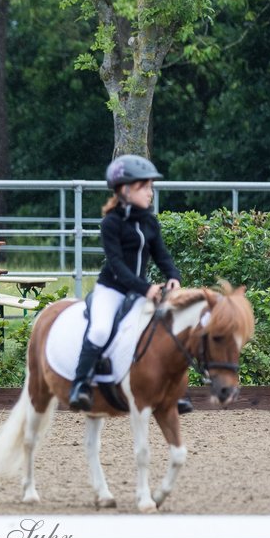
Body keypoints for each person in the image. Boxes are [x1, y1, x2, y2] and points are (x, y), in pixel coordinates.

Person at [70, 154, 184, 413]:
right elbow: (118, 266)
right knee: (99, 330)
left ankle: (172, 391)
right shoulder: (111, 223)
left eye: (151, 187)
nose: (150, 193)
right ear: (125, 190)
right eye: (144, 187)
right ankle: (80, 384)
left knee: (165, 331)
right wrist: (146, 289)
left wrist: (174, 277)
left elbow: (162, 256)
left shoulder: (150, 222)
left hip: (139, 292)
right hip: (112, 290)